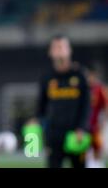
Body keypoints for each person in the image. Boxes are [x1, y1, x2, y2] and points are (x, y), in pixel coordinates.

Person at [33, 35, 90, 168]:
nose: (59, 50)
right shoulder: (47, 77)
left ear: (69, 50)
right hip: (54, 135)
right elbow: (41, 105)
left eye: (62, 47)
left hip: (76, 134)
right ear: (50, 52)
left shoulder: (80, 75)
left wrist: (82, 127)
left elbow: (86, 105)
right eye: (56, 47)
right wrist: (35, 120)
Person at [85, 65, 107, 168]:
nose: (90, 79)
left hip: (96, 125)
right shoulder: (83, 89)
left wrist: (104, 122)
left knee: (97, 148)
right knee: (85, 149)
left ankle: (98, 164)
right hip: (85, 125)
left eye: (92, 76)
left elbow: (105, 106)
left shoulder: (100, 89)